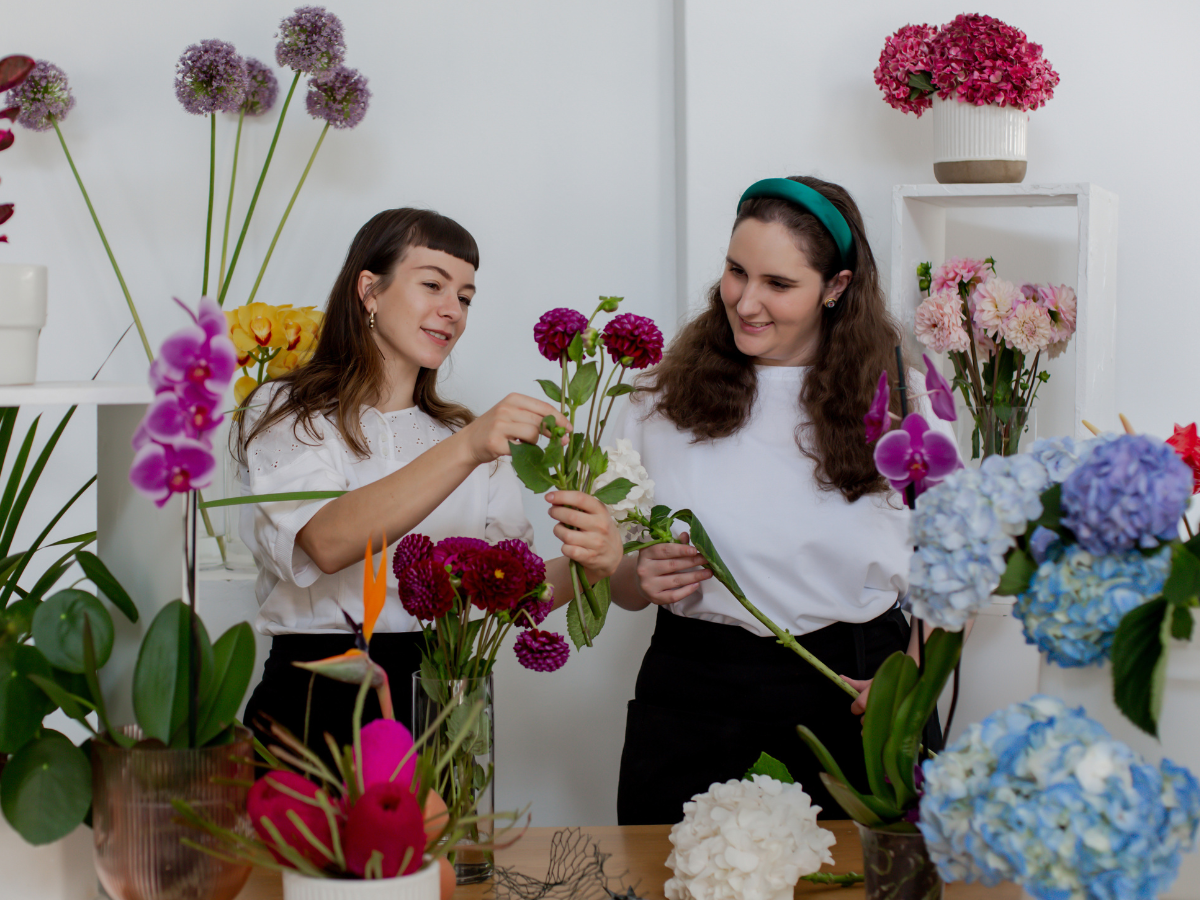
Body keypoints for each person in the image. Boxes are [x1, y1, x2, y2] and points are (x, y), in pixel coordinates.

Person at [609, 176, 952, 824]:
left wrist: (906, 683)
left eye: (779, 284)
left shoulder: (908, 404)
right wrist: (636, 572)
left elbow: (954, 563)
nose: (746, 301)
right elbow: (619, 583)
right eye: (737, 272)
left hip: (857, 695)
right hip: (693, 696)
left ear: (837, 287)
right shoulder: (655, 401)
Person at [237, 208, 623, 756]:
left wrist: (594, 566)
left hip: (440, 693)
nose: (452, 311)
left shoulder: (468, 439)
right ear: (369, 290)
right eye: (433, 285)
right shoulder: (288, 410)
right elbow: (326, 542)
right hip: (312, 702)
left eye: (465, 297)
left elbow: (508, 595)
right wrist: (466, 448)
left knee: (446, 845)